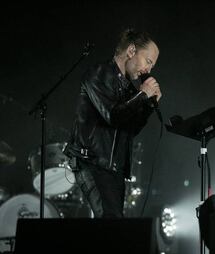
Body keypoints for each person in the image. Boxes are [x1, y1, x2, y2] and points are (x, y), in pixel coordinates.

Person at [64, 28, 162, 218]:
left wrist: (149, 105)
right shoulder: (99, 73)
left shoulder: (128, 88)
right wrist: (142, 95)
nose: (148, 70)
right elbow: (113, 115)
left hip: (113, 169)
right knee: (110, 223)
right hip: (91, 161)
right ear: (132, 51)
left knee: (114, 226)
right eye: (148, 61)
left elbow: (131, 129)